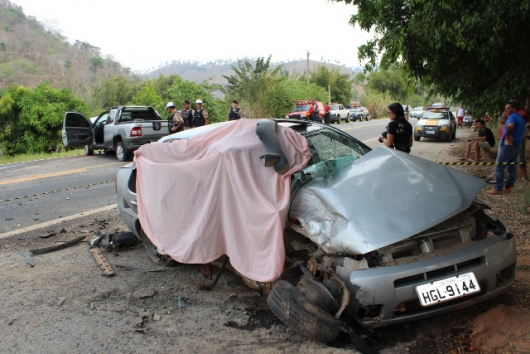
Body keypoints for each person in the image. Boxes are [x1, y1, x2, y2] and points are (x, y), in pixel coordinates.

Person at [487, 102, 526, 195]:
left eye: (508, 108)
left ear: (514, 108)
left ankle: (498, 188)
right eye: (505, 108)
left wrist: (508, 134)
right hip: (516, 146)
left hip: (509, 146)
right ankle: (508, 187)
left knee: (499, 166)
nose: (506, 110)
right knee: (512, 167)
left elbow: (510, 126)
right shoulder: (521, 119)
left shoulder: (512, 117)